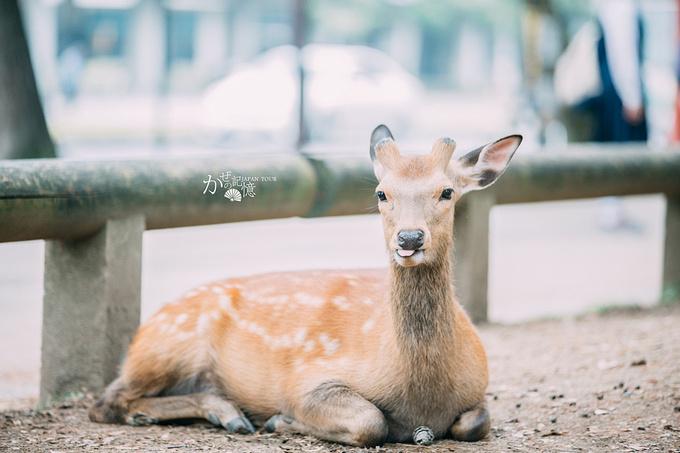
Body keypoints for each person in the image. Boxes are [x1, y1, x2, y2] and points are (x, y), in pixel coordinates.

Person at [582, 0, 648, 142]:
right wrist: (633, 98)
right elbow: (624, 53)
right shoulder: (621, 7)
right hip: (620, 98)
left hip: (614, 93)